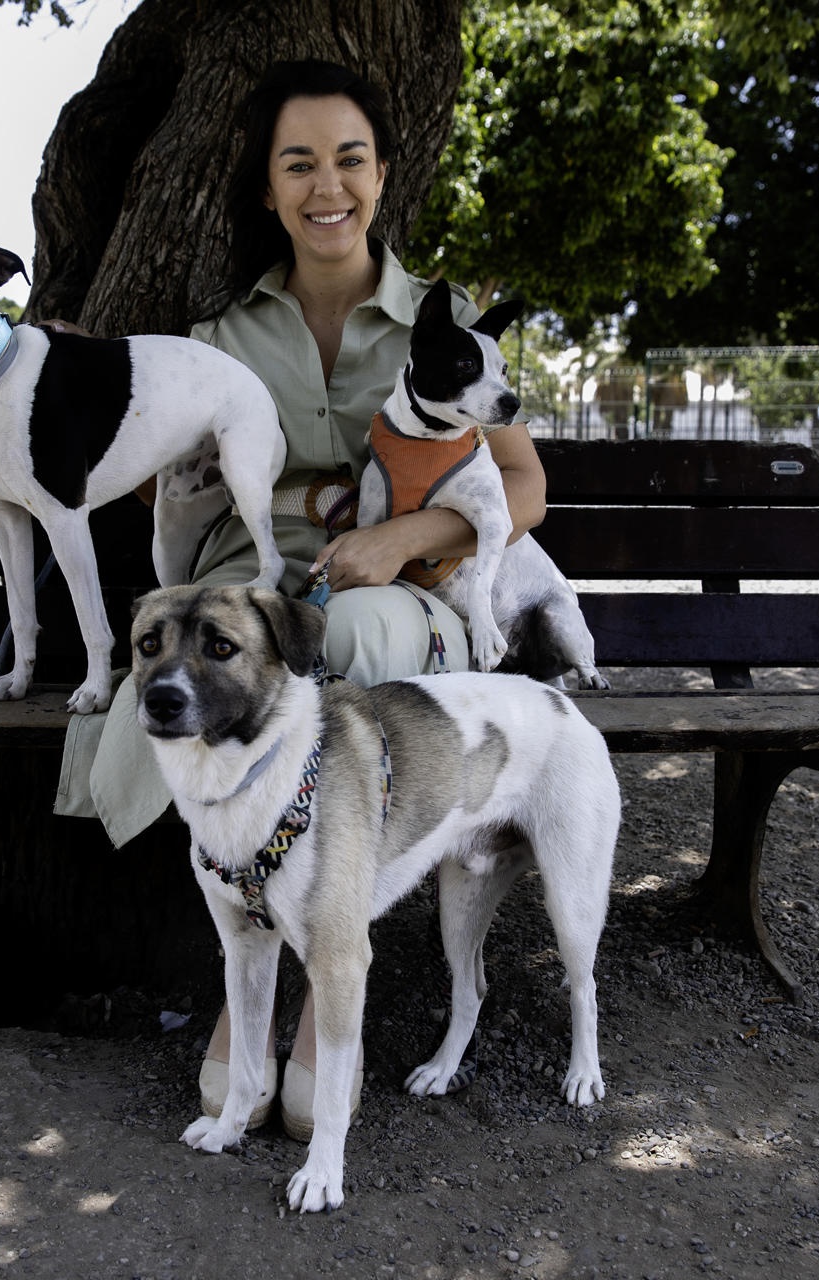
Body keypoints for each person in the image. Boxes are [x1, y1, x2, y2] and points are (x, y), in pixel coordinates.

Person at [52, 58, 550, 1140]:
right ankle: (247, 998)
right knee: (208, 659)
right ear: (269, 189)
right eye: (300, 164)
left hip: (397, 592)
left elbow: (523, 484)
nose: (329, 185)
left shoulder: (440, 322)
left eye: (350, 159)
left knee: (361, 631)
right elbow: (157, 475)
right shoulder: (224, 337)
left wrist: (408, 531)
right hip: (249, 590)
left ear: (383, 174)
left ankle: (336, 979)